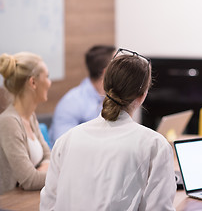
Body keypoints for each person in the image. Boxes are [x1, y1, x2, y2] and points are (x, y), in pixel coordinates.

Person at [40, 49, 176, 210]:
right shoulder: (155, 145)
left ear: (105, 86)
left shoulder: (66, 140)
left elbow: (48, 204)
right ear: (142, 96)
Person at [0, 52, 51, 194]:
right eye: (46, 77)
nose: (49, 82)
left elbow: (48, 155)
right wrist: (61, 174)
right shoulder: (8, 122)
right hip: (11, 204)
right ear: (33, 82)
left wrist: (38, 172)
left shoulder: (30, 116)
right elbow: (29, 180)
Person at [48, 45, 115, 146]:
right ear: (106, 72)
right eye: (118, 66)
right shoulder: (71, 102)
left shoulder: (112, 98)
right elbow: (63, 145)